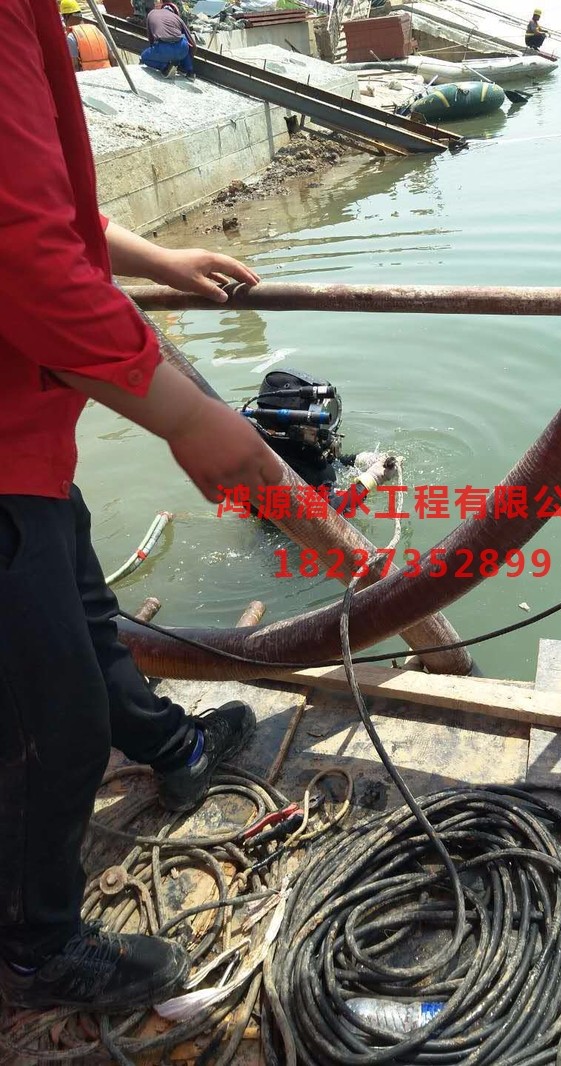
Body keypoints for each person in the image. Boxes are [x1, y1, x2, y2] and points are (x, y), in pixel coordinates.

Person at [0, 0, 286, 1013]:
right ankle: (34, 948)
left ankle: (174, 747)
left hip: (26, 440)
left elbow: (44, 206)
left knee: (86, 617)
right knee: (51, 725)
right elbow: (22, 250)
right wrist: (187, 417)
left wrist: (157, 261)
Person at [140, 0, 196, 80]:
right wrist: (188, 60)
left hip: (163, 48)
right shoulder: (178, 18)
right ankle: (190, 72)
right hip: (181, 48)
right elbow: (192, 44)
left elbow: (151, 39)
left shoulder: (151, 13)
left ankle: (165, 67)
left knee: (144, 57)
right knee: (183, 39)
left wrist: (156, 53)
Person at [60, 0, 113, 71]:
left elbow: (75, 65)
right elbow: (113, 58)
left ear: (66, 16)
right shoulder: (97, 31)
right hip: (108, 73)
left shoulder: (72, 37)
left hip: (87, 75)